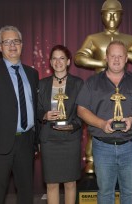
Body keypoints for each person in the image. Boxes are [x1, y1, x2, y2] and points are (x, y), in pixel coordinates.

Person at [74, 0, 132, 173]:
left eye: (116, 13)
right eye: (108, 13)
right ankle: (91, 161)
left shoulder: (129, 39)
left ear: (121, 16)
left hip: (125, 85)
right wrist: (102, 61)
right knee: (96, 125)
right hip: (99, 85)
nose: (111, 17)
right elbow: (79, 57)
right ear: (101, 16)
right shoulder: (93, 38)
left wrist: (126, 54)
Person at [76, 40, 132, 204]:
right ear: (106, 58)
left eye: (120, 56)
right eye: (113, 56)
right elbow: (81, 110)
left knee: (129, 192)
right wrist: (102, 124)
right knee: (104, 193)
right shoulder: (92, 82)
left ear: (126, 59)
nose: (116, 60)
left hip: (130, 146)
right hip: (102, 146)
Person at [0, 25, 39, 204]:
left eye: (16, 41)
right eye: (7, 42)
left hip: (26, 144)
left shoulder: (32, 73)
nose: (12, 45)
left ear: (22, 44)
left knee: (26, 195)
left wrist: (35, 141)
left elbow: (34, 108)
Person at [37, 45, 84, 204]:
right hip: (49, 140)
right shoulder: (42, 84)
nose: (58, 62)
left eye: (62, 58)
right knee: (51, 184)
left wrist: (73, 126)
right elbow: (36, 110)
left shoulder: (78, 83)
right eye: (55, 58)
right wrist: (45, 115)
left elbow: (83, 111)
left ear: (68, 61)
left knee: (70, 183)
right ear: (50, 62)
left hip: (70, 139)